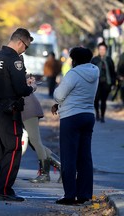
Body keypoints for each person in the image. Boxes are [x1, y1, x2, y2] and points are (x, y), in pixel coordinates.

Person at [0, 28, 36, 202]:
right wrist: (31, 87)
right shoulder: (15, 60)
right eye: (26, 47)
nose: (25, 50)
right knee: (13, 149)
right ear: (21, 42)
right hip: (8, 109)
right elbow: (20, 89)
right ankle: (4, 189)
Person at [51, 47, 99, 205]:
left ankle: (70, 195)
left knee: (69, 157)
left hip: (71, 117)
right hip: (88, 116)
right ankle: (85, 194)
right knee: (85, 157)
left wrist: (59, 100)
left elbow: (59, 95)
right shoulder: (95, 71)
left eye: (72, 59)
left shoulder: (73, 74)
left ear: (75, 60)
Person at [21, 90, 61, 183]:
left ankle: (44, 174)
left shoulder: (13, 76)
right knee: (33, 142)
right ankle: (61, 167)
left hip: (28, 110)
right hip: (26, 109)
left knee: (35, 141)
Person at [91, 42, 116, 123]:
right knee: (96, 99)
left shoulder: (109, 60)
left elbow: (113, 72)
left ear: (106, 50)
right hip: (96, 83)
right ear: (98, 50)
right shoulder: (94, 60)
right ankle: (97, 113)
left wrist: (113, 83)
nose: (102, 51)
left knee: (103, 100)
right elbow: (90, 72)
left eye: (103, 49)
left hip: (106, 83)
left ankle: (102, 116)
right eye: (100, 49)